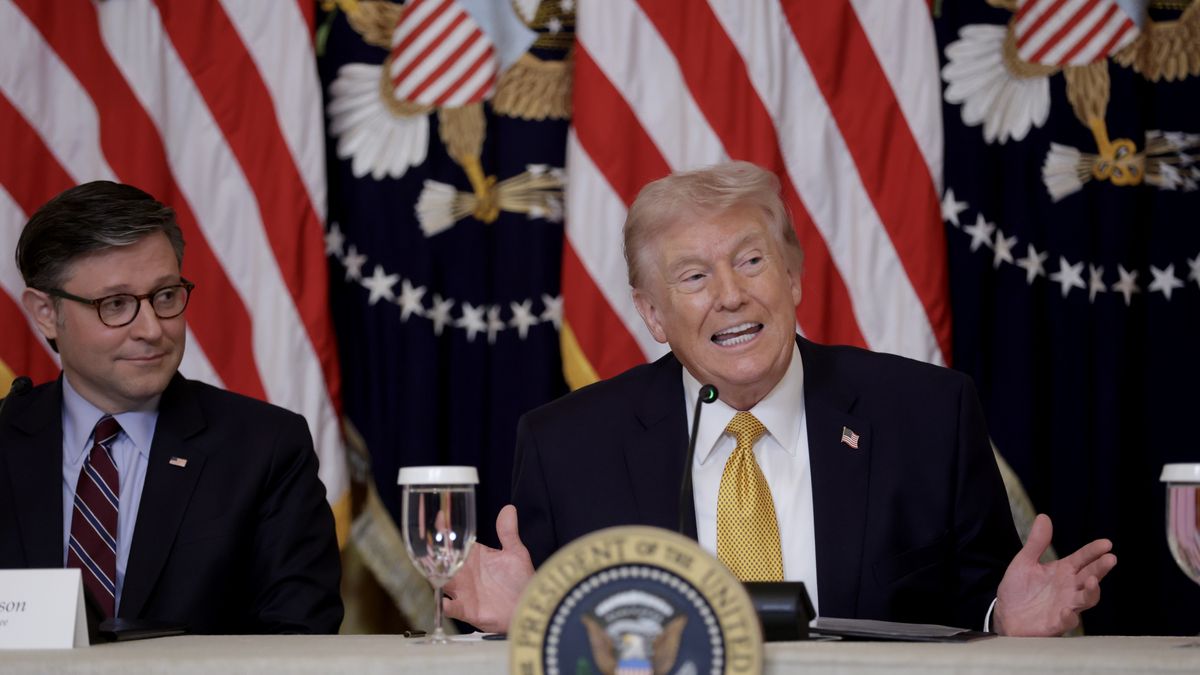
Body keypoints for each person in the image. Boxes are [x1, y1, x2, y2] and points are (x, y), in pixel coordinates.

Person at [444, 162, 1116, 637]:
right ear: (652, 314)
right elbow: (522, 621)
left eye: (751, 260)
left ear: (792, 276)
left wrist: (1008, 618)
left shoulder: (927, 414)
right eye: (694, 275)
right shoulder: (568, 446)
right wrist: (525, 613)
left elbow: (979, 606)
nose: (731, 294)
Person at [0, 181, 342, 634]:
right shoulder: (7, 436)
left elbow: (301, 636)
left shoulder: (266, 449)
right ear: (45, 313)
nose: (152, 329)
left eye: (165, 296)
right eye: (115, 304)